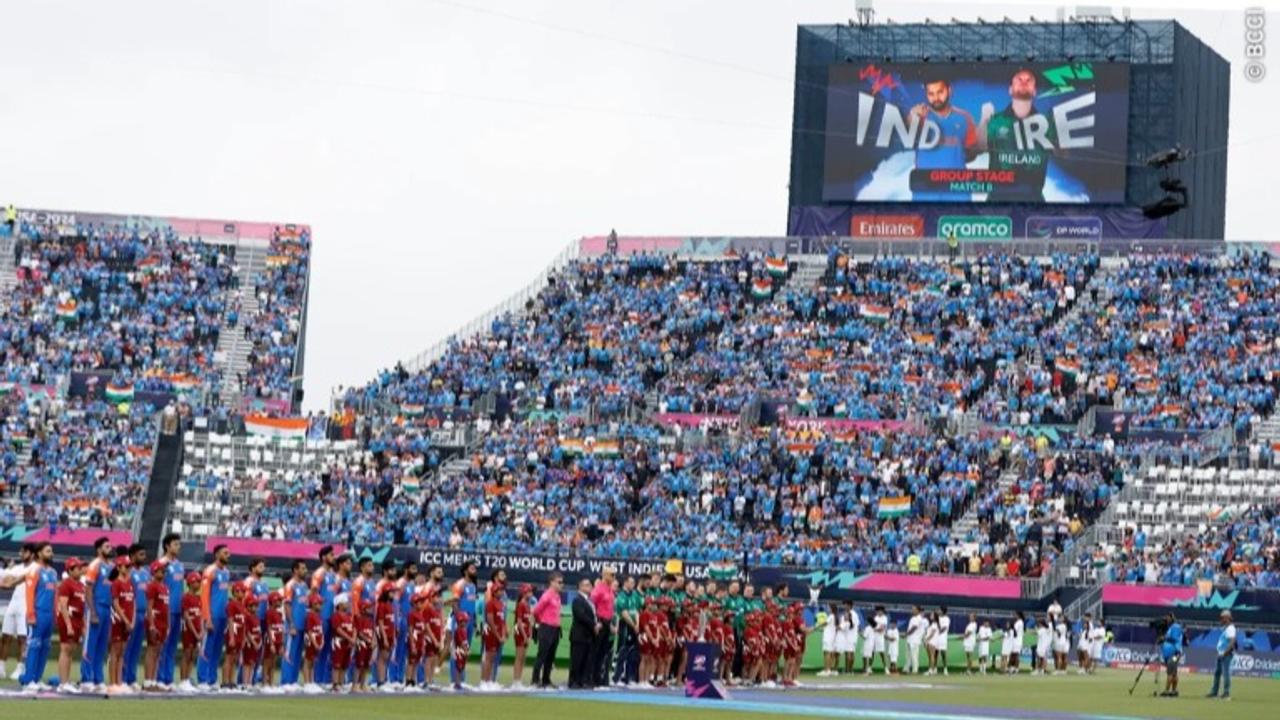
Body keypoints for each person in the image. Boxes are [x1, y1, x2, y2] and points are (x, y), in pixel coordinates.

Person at [908, 77, 981, 201]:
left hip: (957, 192)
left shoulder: (964, 117)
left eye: (940, 92)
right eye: (931, 93)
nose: (936, 98)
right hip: (925, 193)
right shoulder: (918, 116)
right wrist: (912, 118)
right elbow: (907, 135)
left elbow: (972, 153)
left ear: (949, 90)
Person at [18, 542, 57, 689]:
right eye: (48, 551)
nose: (51, 553)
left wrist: (55, 613)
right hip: (37, 613)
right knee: (34, 646)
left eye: (51, 551)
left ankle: (37, 678)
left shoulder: (53, 573)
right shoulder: (34, 570)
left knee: (45, 647)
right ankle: (28, 680)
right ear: (39, 553)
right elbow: (29, 594)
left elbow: (55, 594)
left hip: (48, 615)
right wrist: (31, 614)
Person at [197, 544, 232, 687]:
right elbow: (204, 596)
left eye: (228, 552)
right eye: (225, 552)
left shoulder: (227, 572)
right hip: (211, 616)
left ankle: (212, 679)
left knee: (217, 649)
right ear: (217, 554)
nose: (228, 555)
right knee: (207, 648)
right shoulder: (210, 571)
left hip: (223, 616)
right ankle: (202, 679)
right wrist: (207, 618)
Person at [0, 544, 35, 682]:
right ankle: (1, 667)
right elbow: (5, 581)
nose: (21, 553)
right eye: (21, 551)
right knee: (5, 636)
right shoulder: (18, 568)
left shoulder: (34, 568)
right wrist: (8, 581)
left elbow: (11, 581)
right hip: (14, 603)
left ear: (32, 554)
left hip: (26, 604)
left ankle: (21, 667)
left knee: (23, 639)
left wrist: (11, 581)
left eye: (24, 551)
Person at [155, 533, 185, 687]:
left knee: (172, 646)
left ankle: (168, 678)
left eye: (179, 544)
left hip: (178, 610)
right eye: (175, 544)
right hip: (165, 610)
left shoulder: (180, 565)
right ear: (167, 546)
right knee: (163, 645)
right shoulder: (161, 564)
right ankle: (159, 678)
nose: (178, 547)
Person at [56, 558, 87, 693]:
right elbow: (63, 605)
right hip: (68, 619)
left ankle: (66, 681)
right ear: (70, 570)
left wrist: (83, 625)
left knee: (71, 651)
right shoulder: (66, 584)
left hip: (77, 620)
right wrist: (68, 625)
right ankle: (62, 683)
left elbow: (82, 606)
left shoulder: (81, 585)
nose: (81, 570)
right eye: (78, 568)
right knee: (65, 649)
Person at [122, 544, 150, 688]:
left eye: (144, 555)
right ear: (132, 556)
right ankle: (122, 678)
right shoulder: (128, 572)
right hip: (131, 613)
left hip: (143, 613)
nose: (143, 558)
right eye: (141, 555)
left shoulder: (146, 573)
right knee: (127, 647)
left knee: (136, 648)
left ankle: (131, 679)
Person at [448, 561, 479, 688]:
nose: (475, 570)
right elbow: (454, 603)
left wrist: (475, 621)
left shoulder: (473, 585)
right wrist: (459, 618)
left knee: (465, 650)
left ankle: (461, 680)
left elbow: (472, 605)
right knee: (457, 650)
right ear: (466, 570)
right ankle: (454, 680)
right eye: (472, 568)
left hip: (470, 621)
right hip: (461, 622)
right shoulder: (459, 584)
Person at [108, 555, 136, 693]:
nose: (128, 569)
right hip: (118, 621)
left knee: (122, 653)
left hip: (129, 622)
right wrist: (125, 620)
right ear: (119, 568)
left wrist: (132, 621)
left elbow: (133, 603)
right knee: (115, 651)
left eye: (129, 566)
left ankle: (119, 682)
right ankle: (112, 682)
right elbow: (116, 604)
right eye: (126, 566)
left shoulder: (130, 583)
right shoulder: (116, 584)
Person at [531, 573, 564, 689]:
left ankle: (546, 679)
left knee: (551, 656)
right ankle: (535, 680)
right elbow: (536, 611)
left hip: (555, 628)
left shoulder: (557, 596)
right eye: (559, 582)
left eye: (562, 582)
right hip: (546, 627)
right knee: (542, 655)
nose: (561, 584)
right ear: (552, 582)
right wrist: (542, 622)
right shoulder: (547, 595)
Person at [281, 559, 310, 686]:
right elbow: (287, 605)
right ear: (295, 570)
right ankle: (286, 682)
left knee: (298, 655)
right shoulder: (290, 585)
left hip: (303, 625)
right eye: (302, 568)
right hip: (293, 626)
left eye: (305, 568)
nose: (305, 571)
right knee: (289, 654)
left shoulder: (304, 586)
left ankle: (293, 681)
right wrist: (291, 624)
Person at [143, 560, 171, 690]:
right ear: (154, 572)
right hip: (155, 620)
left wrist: (169, 624)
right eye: (161, 570)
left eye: (164, 571)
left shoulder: (165, 587)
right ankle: (148, 681)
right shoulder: (152, 586)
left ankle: (153, 680)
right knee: (151, 649)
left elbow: (167, 607)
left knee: (158, 651)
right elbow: (149, 606)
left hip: (164, 622)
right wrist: (151, 624)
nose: (163, 573)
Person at [569, 578, 599, 689]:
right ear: (580, 587)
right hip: (579, 634)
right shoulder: (577, 600)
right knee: (577, 659)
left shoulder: (589, 601)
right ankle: (574, 681)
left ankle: (583, 680)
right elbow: (581, 616)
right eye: (586, 585)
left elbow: (593, 615)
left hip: (588, 635)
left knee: (586, 659)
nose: (589, 586)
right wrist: (594, 625)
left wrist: (596, 623)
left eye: (590, 584)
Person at [589, 567, 616, 687]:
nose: (614, 577)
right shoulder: (598, 589)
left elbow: (609, 608)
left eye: (614, 575)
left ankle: (598, 678)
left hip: (607, 622)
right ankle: (591, 678)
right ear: (604, 575)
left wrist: (610, 624)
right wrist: (596, 622)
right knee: (595, 651)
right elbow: (591, 605)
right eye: (612, 574)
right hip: (600, 621)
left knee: (603, 652)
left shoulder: (610, 589)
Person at [611, 576, 640, 686]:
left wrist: (637, 624)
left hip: (634, 627)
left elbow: (636, 610)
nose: (633, 584)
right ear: (625, 582)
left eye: (634, 582)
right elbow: (624, 612)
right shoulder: (621, 596)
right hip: (625, 626)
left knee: (632, 652)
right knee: (622, 650)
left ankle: (628, 677)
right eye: (631, 582)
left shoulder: (635, 595)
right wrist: (633, 625)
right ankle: (616, 677)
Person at [179, 572, 203, 691]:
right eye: (195, 581)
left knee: (193, 655)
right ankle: (183, 680)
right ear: (189, 583)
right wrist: (195, 633)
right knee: (186, 654)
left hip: (197, 631)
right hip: (188, 630)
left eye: (199, 581)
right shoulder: (186, 597)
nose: (198, 584)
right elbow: (187, 617)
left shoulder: (199, 598)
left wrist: (201, 632)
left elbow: (201, 616)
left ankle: (188, 679)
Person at [329, 593, 355, 692]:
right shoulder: (336, 616)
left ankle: (341, 683)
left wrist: (352, 639)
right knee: (337, 664)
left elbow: (352, 628)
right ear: (339, 605)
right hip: (338, 643)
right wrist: (349, 638)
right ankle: (335, 684)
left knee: (344, 664)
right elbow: (338, 629)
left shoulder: (349, 616)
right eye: (345, 602)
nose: (348, 604)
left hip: (348, 643)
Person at [1207, 610, 1235, 701]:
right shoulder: (1226, 628)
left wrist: (1225, 653)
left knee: (1225, 673)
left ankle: (1226, 693)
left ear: (1227, 618)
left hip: (1225, 654)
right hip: (1221, 654)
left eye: (1222, 618)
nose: (1221, 620)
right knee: (1217, 673)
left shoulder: (1230, 628)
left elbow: (1232, 642)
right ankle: (1214, 692)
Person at [511, 583, 535, 688]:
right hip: (520, 632)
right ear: (524, 593)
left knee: (523, 658)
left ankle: (519, 680)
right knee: (519, 657)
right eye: (529, 592)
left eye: (531, 592)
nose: (531, 594)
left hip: (526, 632)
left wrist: (530, 634)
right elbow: (519, 622)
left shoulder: (528, 605)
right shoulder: (521, 605)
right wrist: (525, 635)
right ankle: (515, 681)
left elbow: (529, 621)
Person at [1160, 613, 1184, 698]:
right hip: (1171, 653)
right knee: (1174, 672)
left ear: (1172, 618)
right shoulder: (1171, 628)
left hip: (1175, 653)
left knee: (1170, 671)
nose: (1166, 620)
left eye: (1167, 618)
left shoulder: (1176, 627)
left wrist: (1164, 638)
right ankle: (1174, 691)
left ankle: (1167, 691)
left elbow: (1174, 638)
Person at [905, 606, 925, 675]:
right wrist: (907, 635)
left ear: (918, 611)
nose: (913, 611)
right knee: (908, 655)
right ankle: (906, 669)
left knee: (914, 655)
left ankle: (915, 670)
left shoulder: (919, 618)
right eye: (912, 609)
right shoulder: (913, 618)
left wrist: (906, 634)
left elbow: (914, 627)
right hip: (910, 639)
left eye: (914, 610)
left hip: (915, 640)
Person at [934, 606, 950, 675]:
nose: (938, 611)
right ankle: (935, 668)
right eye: (938, 610)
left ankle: (945, 669)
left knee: (943, 654)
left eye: (939, 610)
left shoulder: (947, 618)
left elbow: (944, 628)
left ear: (943, 611)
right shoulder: (937, 618)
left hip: (943, 638)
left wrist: (939, 632)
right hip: (936, 638)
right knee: (935, 654)